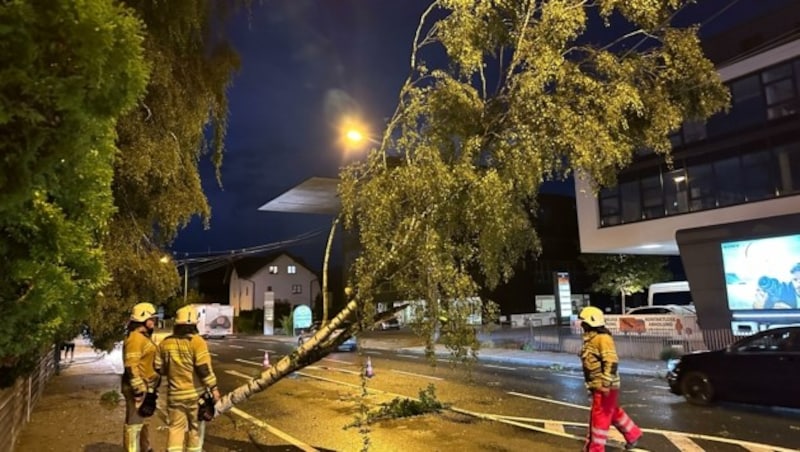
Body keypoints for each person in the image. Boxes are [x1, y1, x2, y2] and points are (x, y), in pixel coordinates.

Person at [157, 305, 221, 452]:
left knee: (175, 429)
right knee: (195, 429)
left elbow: (158, 368)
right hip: (195, 396)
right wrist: (214, 389)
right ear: (193, 324)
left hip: (175, 396)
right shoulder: (197, 342)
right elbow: (203, 369)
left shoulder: (165, 343)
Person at [578, 306, 642, 451]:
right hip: (598, 385)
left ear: (590, 322)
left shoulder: (602, 339)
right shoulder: (592, 339)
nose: (581, 324)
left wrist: (605, 384)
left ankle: (596, 448)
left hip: (604, 385)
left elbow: (611, 361)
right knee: (611, 411)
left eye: (583, 321)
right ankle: (633, 434)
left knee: (599, 418)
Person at [122, 302, 160, 452]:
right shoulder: (136, 338)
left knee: (143, 422)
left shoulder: (142, 337)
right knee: (134, 424)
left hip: (145, 387)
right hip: (137, 389)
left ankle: (146, 448)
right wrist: (138, 390)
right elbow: (131, 366)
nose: (154, 322)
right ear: (142, 319)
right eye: (152, 318)